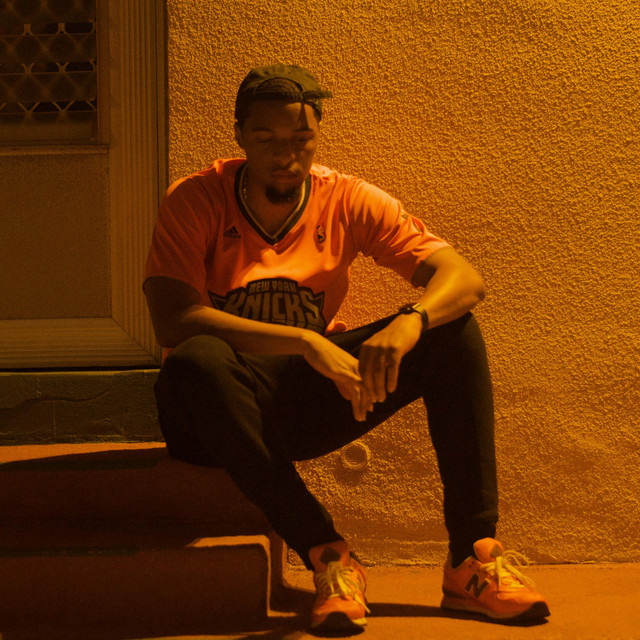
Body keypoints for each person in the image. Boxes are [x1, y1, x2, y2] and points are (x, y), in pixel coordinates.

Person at [143, 63, 550, 635]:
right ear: (239, 136)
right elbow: (173, 320)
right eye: (266, 138)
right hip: (209, 414)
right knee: (197, 359)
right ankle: (328, 556)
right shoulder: (196, 198)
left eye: (300, 139)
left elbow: (464, 278)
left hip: (300, 402)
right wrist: (307, 340)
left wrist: (411, 321)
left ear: (316, 137)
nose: (285, 155)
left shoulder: (347, 198)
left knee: (452, 332)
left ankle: (471, 557)